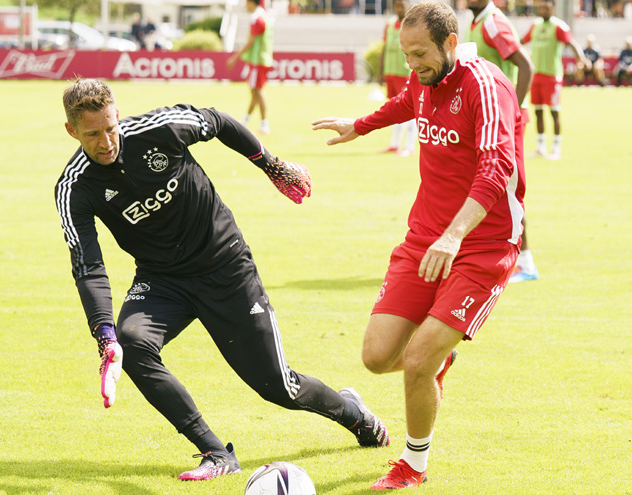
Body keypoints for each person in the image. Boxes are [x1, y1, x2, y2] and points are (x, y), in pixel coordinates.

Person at [55, 78, 390, 483]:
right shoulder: (74, 187)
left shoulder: (160, 129)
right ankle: (215, 453)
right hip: (162, 281)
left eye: (110, 128)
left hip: (225, 265)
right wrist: (105, 335)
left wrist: (272, 165)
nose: (107, 141)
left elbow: (218, 122)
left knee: (277, 386)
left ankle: (353, 413)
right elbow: (88, 266)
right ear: (72, 131)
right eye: (93, 134)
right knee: (131, 343)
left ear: (117, 115)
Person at [312, 1, 525, 489]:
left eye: (420, 54)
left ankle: (413, 463)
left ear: (451, 42)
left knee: (417, 358)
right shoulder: (422, 78)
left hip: (483, 243)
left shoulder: (484, 85)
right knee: (376, 357)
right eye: (406, 54)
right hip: (424, 237)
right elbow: (407, 102)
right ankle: (438, 361)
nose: (412, 65)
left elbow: (497, 167)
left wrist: (454, 235)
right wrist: (360, 124)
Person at [464, 0, 537, 282]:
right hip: (487, 120)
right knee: (482, 185)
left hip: (503, 122)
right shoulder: (475, 22)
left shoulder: (493, 22)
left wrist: (509, 114)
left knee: (506, 188)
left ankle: (525, 263)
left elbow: (526, 66)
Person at [520, 0, 589, 160]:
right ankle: (540, 147)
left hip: (552, 76)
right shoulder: (535, 25)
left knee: (554, 112)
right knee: (538, 111)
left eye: (546, 8)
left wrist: (581, 59)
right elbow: (522, 42)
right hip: (535, 75)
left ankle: (556, 148)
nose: (543, 11)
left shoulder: (559, 26)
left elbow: (572, 43)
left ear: (553, 9)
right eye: (541, 8)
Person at [227, 0, 273, 134]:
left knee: (258, 90)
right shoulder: (263, 16)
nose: (244, 4)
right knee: (255, 90)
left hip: (257, 59)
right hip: (261, 58)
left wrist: (234, 57)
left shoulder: (257, 18)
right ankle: (246, 120)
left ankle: (264, 124)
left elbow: (251, 41)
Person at [378, 0, 417, 157]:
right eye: (397, 5)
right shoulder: (389, 24)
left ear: (408, 6)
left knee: (409, 110)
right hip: (391, 72)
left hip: (405, 73)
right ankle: (394, 144)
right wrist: (381, 71)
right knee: (393, 109)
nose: (399, 8)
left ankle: (409, 145)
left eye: (402, 5)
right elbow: (385, 47)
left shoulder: (412, 25)